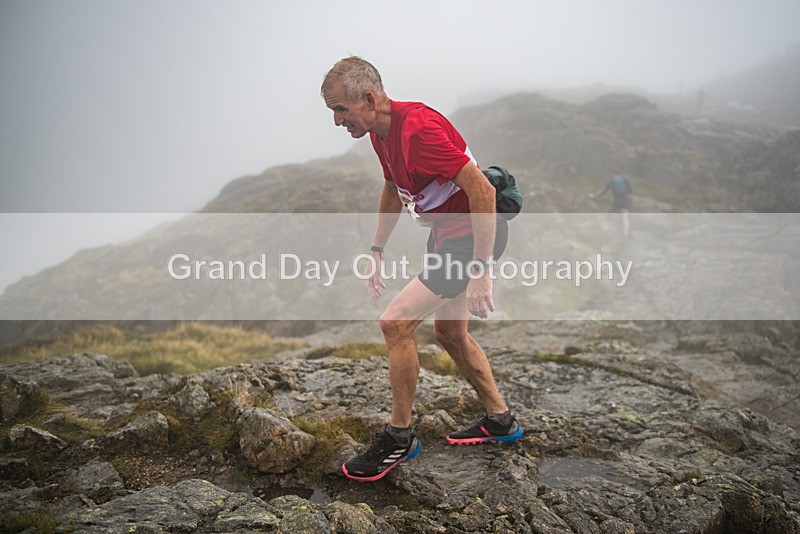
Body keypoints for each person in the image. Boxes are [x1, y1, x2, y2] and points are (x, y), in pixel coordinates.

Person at [321, 56, 522, 482]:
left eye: (340, 109)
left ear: (369, 99)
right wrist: (377, 249)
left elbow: (482, 191)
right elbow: (392, 186)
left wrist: (480, 269)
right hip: (447, 237)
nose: (337, 120)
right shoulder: (381, 133)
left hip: (469, 239)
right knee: (450, 333)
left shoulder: (419, 130)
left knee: (395, 324)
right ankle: (500, 420)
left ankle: (399, 437)